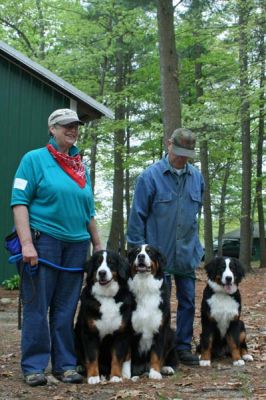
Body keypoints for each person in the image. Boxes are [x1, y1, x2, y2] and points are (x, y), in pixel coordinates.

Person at [11, 108, 102, 386]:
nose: (72, 130)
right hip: (44, 242)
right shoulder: (34, 160)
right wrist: (27, 243)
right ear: (52, 129)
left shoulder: (80, 167)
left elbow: (89, 211)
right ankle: (34, 366)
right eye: (66, 126)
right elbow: (19, 202)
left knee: (66, 308)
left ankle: (64, 365)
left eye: (75, 126)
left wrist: (98, 245)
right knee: (38, 306)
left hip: (77, 246)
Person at [127, 128, 204, 366]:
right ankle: (159, 350)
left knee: (188, 301)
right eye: (178, 152)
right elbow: (137, 217)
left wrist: (196, 247)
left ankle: (181, 347)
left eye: (186, 154)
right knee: (159, 304)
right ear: (168, 144)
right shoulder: (149, 177)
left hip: (186, 254)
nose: (181, 158)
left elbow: (194, 214)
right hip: (158, 258)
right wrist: (138, 255)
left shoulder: (197, 177)